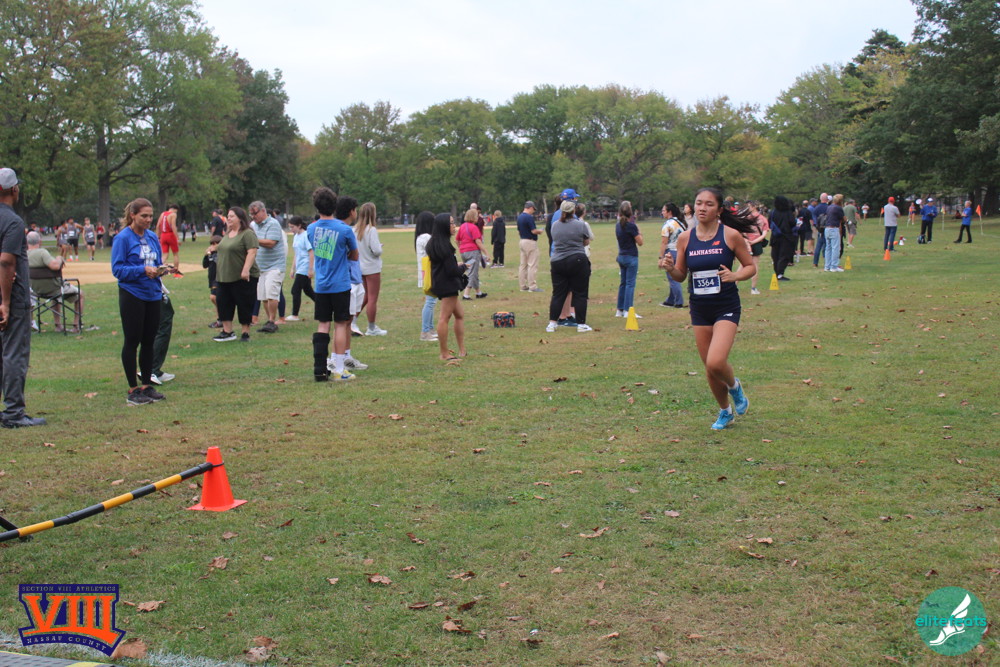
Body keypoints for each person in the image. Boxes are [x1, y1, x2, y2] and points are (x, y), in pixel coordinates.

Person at [659, 187, 756, 430]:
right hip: (700, 308)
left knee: (716, 361)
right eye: (699, 203)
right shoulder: (685, 238)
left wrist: (735, 276)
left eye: (709, 204)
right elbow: (681, 275)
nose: (702, 208)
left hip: (726, 306)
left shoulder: (730, 235)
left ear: (719, 210)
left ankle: (735, 387)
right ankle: (725, 412)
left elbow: (750, 266)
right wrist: (670, 268)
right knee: (710, 369)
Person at [0, 168, 46, 427]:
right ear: (14, 189)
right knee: (15, 353)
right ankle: (14, 413)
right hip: (12, 297)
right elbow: (7, 262)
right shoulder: (13, 222)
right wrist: (6, 303)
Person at [111, 198, 167, 406]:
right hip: (132, 294)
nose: (148, 220)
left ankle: (146, 385)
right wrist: (142, 270)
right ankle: (133, 389)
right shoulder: (123, 238)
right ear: (132, 215)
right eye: (144, 216)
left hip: (153, 294)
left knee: (149, 341)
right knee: (132, 340)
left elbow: (156, 261)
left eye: (151, 216)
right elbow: (118, 270)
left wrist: (161, 270)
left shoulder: (152, 237)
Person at [307, 190, 359, 381]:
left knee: (323, 324)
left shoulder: (311, 229)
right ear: (334, 205)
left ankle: (320, 369)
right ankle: (338, 369)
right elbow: (355, 255)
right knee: (340, 325)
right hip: (340, 284)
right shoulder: (344, 230)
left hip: (321, 285)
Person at [545, 200, 593, 333]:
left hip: (558, 261)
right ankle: (581, 324)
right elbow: (586, 241)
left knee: (558, 293)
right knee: (580, 293)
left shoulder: (555, 225)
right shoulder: (580, 224)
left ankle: (552, 323)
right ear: (573, 211)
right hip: (577, 259)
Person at [213, 207, 259, 342]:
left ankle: (245, 333)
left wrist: (246, 269)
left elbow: (252, 252)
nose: (229, 218)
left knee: (244, 303)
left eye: (232, 216)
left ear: (240, 218)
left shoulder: (247, 233)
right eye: (228, 216)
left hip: (242, 276)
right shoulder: (228, 233)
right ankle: (227, 332)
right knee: (223, 303)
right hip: (224, 276)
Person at [426, 213, 468, 361]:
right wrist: (463, 267)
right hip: (448, 285)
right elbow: (451, 271)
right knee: (444, 318)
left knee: (459, 315)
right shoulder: (444, 247)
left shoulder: (434, 244)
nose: (454, 226)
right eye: (451, 223)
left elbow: (445, 266)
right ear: (444, 226)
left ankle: (462, 349)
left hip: (442, 283)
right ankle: (444, 353)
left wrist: (456, 265)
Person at [27, 231, 83, 333]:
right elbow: (55, 266)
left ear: (27, 242)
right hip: (55, 289)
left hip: (35, 291)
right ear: (40, 241)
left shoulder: (24, 255)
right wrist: (59, 258)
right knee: (80, 294)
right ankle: (76, 325)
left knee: (55, 296)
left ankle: (58, 325)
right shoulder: (42, 252)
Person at [249, 201, 285, 333]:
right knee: (263, 296)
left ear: (263, 211)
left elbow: (271, 243)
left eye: (255, 213)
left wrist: (253, 240)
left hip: (275, 265)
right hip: (260, 267)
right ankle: (270, 321)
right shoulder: (253, 225)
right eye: (251, 214)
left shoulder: (273, 224)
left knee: (271, 293)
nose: (253, 216)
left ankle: (272, 321)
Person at [354, 202, 386, 336]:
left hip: (360, 267)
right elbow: (376, 251)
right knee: (372, 298)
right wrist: (379, 246)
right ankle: (371, 327)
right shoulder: (371, 230)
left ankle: (352, 320)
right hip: (372, 267)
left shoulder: (355, 230)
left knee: (364, 296)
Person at [614, 200, 643, 317]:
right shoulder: (631, 226)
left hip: (621, 255)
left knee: (623, 283)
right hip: (631, 256)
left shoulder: (618, 226)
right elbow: (640, 242)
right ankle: (628, 310)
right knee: (630, 284)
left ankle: (619, 309)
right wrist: (639, 232)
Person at [414, 211, 438, 341]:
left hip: (426, 272)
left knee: (432, 301)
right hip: (429, 273)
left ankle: (430, 328)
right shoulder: (426, 237)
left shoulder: (420, 237)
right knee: (430, 302)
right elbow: (435, 252)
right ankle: (425, 331)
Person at [456, 209, 490, 300]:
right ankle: (466, 294)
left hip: (464, 252)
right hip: (473, 252)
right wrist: (486, 253)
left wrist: (461, 248)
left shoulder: (462, 226)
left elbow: (457, 240)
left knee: (472, 272)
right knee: (472, 273)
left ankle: (478, 293)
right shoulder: (474, 227)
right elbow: (478, 242)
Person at [286, 216, 314, 320]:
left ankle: (295, 315)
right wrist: (292, 268)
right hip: (300, 267)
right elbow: (296, 254)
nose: (291, 229)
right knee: (308, 291)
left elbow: (311, 253)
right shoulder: (296, 236)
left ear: (299, 226)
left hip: (305, 267)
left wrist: (310, 269)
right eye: (289, 227)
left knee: (295, 290)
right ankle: (326, 307)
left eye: (292, 227)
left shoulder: (306, 236)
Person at [659, 203, 687, 308]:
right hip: (680, 252)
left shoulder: (667, 224)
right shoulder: (681, 222)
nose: (662, 212)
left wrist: (660, 257)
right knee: (673, 276)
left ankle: (679, 302)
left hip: (670, 252)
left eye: (663, 210)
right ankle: (670, 300)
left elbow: (664, 242)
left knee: (673, 278)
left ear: (669, 212)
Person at [768, 196, 796, 282]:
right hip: (786, 237)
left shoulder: (773, 212)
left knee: (775, 255)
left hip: (775, 236)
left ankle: (777, 273)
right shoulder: (788, 212)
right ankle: (780, 274)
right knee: (784, 255)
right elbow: (793, 223)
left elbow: (769, 223)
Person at [745, 201, 770, 294]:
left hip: (747, 243)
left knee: (743, 265)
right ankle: (753, 288)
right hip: (756, 243)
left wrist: (748, 241)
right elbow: (764, 234)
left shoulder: (746, 218)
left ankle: (735, 285)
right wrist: (753, 242)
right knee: (755, 265)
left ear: (754, 207)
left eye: (748, 207)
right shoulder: (762, 218)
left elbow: (742, 231)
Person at [517, 201, 542, 292]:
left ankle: (523, 286)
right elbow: (533, 231)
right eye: (533, 209)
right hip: (530, 241)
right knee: (532, 264)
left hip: (522, 240)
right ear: (530, 208)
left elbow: (519, 231)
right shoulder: (529, 217)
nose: (533, 211)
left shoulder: (519, 217)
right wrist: (540, 231)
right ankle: (532, 286)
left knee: (523, 265)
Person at [203, 234, 223, 327]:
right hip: (211, 279)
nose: (212, 246)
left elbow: (218, 262)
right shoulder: (210, 254)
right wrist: (206, 255)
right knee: (217, 300)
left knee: (214, 297)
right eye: (212, 244)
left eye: (215, 244)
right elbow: (205, 265)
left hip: (219, 278)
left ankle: (221, 318)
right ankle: (220, 319)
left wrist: (214, 252)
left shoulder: (221, 254)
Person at [823, 194, 846, 272]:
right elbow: (843, 218)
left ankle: (827, 266)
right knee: (836, 248)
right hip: (834, 228)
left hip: (827, 229)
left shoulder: (829, 207)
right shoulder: (838, 208)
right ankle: (834, 266)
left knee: (828, 248)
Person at [156, 204, 181, 274]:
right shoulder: (173, 214)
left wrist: (158, 236)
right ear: (175, 209)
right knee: (175, 254)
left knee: (165, 254)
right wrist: (177, 238)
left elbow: (158, 225)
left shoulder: (163, 214)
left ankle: (159, 268)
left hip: (163, 235)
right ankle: (176, 270)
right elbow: (173, 226)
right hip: (170, 235)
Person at [811, 193, 829, 268]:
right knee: (828, 245)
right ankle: (828, 262)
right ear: (827, 199)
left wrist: (817, 226)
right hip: (828, 227)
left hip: (820, 229)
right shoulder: (828, 207)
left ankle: (815, 263)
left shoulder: (816, 208)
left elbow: (814, 218)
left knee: (818, 246)